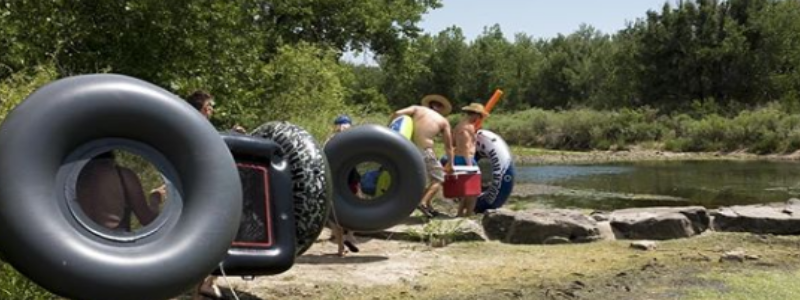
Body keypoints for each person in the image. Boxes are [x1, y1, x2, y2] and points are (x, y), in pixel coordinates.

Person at [183, 90, 223, 300]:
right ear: (205, 108)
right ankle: (200, 289)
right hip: (203, 192)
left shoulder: (183, 124)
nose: (213, 110)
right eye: (211, 106)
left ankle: (202, 287)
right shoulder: (199, 128)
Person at [389, 94, 455, 217]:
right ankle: (423, 203)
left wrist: (389, 129)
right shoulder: (443, 121)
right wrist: (450, 163)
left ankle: (428, 206)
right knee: (439, 179)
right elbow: (448, 146)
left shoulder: (417, 109)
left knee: (420, 180)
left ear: (431, 104)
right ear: (440, 108)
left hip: (409, 149)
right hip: (425, 151)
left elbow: (397, 112)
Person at [76, 151, 161, 231]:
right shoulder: (123, 175)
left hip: (77, 243)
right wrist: (155, 200)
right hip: (117, 243)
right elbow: (148, 220)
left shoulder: (71, 179)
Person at [326, 114, 360, 256]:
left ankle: (341, 245)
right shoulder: (354, 138)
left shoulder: (330, 140)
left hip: (335, 179)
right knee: (355, 205)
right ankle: (349, 236)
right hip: (350, 178)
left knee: (336, 212)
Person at [452, 103, 488, 217]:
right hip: (465, 159)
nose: (480, 119)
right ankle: (468, 216)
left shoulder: (459, 125)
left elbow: (453, 143)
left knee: (466, 190)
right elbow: (465, 147)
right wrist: (470, 165)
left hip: (458, 158)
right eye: (480, 116)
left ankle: (460, 214)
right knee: (474, 191)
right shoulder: (467, 127)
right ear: (476, 115)